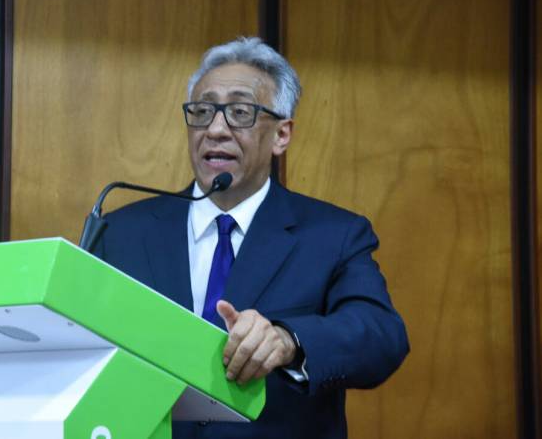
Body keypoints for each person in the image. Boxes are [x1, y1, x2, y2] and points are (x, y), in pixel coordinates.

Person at [94, 37, 409, 439]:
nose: (216, 129)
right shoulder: (121, 233)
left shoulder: (334, 235)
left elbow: (382, 336)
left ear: (281, 134)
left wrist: (289, 340)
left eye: (240, 112)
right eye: (203, 111)